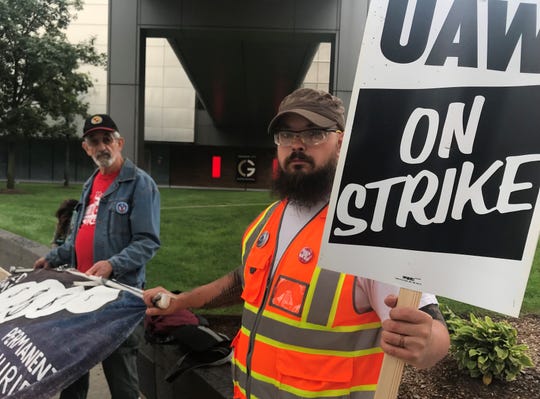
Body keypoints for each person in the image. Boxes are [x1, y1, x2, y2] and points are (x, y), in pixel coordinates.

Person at [143, 88, 450, 399]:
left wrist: (428, 342)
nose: (298, 145)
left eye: (315, 133)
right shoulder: (269, 219)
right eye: (286, 134)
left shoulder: (368, 229)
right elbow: (244, 279)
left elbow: (430, 326)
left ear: (341, 142)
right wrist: (181, 301)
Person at [34, 113, 161, 399]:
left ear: (120, 143)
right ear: (86, 147)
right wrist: (53, 258)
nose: (102, 146)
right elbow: (81, 238)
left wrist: (112, 265)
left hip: (118, 297)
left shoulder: (140, 184)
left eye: (108, 140)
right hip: (80, 295)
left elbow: (147, 242)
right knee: (72, 370)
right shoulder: (90, 185)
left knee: (121, 378)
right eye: (95, 141)